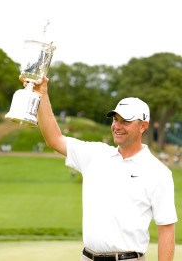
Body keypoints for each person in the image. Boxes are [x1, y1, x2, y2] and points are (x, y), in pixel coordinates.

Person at [21, 76, 178, 261]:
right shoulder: (96, 154)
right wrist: (42, 95)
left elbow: (166, 228)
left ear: (143, 126)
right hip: (87, 257)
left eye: (125, 121)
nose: (117, 126)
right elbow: (54, 139)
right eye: (115, 120)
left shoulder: (158, 173)